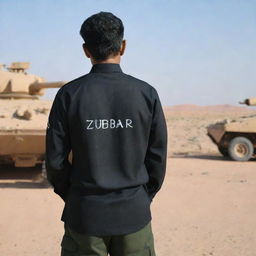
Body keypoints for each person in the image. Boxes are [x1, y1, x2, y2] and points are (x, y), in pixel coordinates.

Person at [45, 11, 168, 256]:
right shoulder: (146, 94)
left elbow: (55, 162)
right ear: (123, 46)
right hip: (134, 215)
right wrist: (141, 197)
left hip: (85, 216)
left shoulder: (69, 95)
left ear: (86, 50)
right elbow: (157, 158)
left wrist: (76, 197)